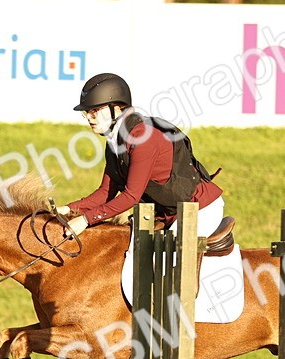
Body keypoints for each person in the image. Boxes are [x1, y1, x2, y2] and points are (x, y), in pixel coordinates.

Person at [59, 73, 225, 240]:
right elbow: (106, 192)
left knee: (172, 258)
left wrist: (86, 220)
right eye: (87, 113)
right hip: (166, 213)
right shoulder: (115, 141)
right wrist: (68, 209)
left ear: (117, 108)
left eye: (94, 111)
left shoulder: (143, 138)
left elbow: (131, 196)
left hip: (199, 209)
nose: (89, 117)